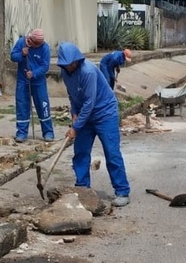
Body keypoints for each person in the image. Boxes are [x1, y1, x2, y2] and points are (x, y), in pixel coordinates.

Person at [56, 42, 131, 207]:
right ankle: (83, 188)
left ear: (77, 60)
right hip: (84, 114)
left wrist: (75, 128)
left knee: (112, 152)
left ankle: (122, 191)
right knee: (81, 152)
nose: (68, 67)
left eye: (71, 64)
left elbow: (89, 102)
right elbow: (73, 95)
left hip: (105, 113)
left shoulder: (88, 71)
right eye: (65, 65)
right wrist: (74, 114)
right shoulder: (65, 72)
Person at [9, 28, 54, 142]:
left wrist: (34, 73)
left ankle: (48, 132)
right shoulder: (21, 42)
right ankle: (22, 133)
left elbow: (45, 66)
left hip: (38, 82)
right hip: (23, 81)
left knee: (43, 105)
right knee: (22, 106)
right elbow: (13, 56)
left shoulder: (45, 48)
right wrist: (22, 54)